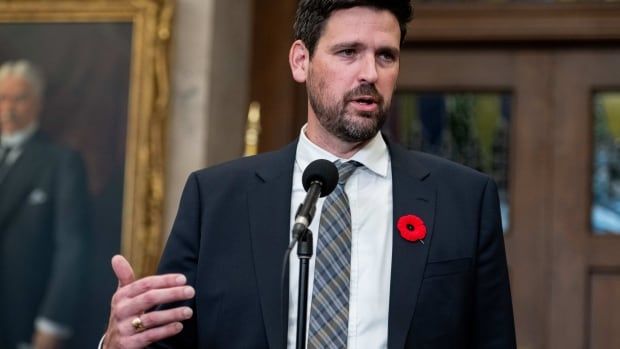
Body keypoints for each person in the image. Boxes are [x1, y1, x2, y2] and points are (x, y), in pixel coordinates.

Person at [103, 1, 517, 348]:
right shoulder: (216, 199)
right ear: (301, 61)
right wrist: (118, 342)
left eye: (385, 55)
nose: (370, 73)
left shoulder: (463, 199)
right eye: (348, 52)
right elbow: (168, 340)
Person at [0, 60, 91, 349]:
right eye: (2, 97)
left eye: (19, 98)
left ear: (38, 103)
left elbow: (71, 249)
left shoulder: (60, 162)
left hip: (24, 320)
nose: (9, 107)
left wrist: (53, 322)